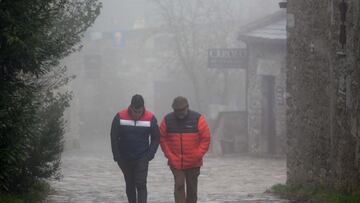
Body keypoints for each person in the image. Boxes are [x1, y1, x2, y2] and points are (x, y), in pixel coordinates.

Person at [160, 96, 211, 203]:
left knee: (192, 190)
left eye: (181, 110)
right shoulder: (167, 120)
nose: (179, 113)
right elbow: (162, 138)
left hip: (194, 162)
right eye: (177, 111)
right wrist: (170, 155)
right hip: (175, 161)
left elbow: (205, 138)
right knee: (179, 185)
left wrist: (197, 154)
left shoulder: (198, 118)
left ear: (187, 107)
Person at [110, 94, 160, 203]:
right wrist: (117, 156)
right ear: (131, 107)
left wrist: (150, 154)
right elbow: (113, 137)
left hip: (142, 157)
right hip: (124, 157)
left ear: (143, 108)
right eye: (135, 111)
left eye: (139, 112)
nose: (137, 114)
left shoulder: (150, 118)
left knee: (141, 183)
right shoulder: (120, 116)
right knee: (130, 184)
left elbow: (156, 138)